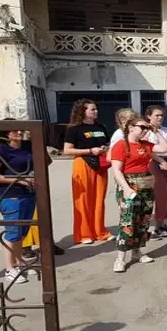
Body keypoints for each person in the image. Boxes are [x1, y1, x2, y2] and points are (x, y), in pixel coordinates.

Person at [0, 124, 38, 284]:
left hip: (28, 194)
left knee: (22, 231)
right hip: (11, 195)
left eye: (20, 129)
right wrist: (18, 180)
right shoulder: (2, 150)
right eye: (14, 130)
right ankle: (9, 268)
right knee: (12, 232)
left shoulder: (28, 146)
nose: (19, 132)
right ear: (6, 133)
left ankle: (18, 261)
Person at [110, 115, 157, 272]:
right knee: (128, 220)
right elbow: (116, 170)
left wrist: (154, 130)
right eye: (142, 127)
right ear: (130, 128)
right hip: (129, 185)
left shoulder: (147, 145)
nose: (145, 131)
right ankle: (120, 257)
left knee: (144, 219)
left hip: (146, 186)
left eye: (147, 128)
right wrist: (125, 187)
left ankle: (137, 251)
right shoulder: (121, 145)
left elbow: (163, 149)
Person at [63, 99, 113, 245]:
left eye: (96, 109)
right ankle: (84, 234)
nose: (96, 111)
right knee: (83, 200)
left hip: (100, 165)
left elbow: (108, 143)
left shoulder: (101, 126)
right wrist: (90, 150)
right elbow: (67, 150)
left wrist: (105, 148)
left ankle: (100, 231)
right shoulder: (74, 128)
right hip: (82, 163)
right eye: (92, 109)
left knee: (99, 199)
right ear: (82, 111)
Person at [145, 105, 167, 237]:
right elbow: (148, 151)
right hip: (155, 161)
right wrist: (162, 161)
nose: (160, 118)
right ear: (149, 116)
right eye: (157, 115)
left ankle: (162, 222)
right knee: (161, 193)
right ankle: (156, 224)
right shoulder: (146, 131)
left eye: (161, 115)